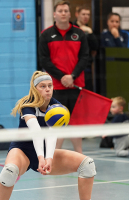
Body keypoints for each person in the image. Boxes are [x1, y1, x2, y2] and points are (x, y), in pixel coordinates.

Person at [0, 71, 106, 200]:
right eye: (42, 86)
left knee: (87, 164)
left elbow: (51, 135)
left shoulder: (56, 107)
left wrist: (48, 159)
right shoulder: (27, 104)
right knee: (9, 171)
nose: (47, 89)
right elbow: (36, 132)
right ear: (35, 88)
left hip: (45, 152)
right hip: (23, 150)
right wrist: (40, 157)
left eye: (50, 86)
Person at [38, 0, 89, 153]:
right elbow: (44, 60)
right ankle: (53, 156)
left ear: (70, 14)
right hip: (55, 86)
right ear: (54, 14)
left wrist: (72, 76)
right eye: (60, 11)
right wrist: (62, 77)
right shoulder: (46, 35)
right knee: (56, 120)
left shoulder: (79, 33)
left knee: (76, 121)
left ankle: (79, 154)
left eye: (66, 11)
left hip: (75, 84)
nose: (63, 13)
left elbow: (85, 57)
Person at [73, 5, 99, 91]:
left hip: (87, 67)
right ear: (77, 14)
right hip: (74, 66)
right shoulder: (72, 28)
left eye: (88, 14)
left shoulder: (89, 29)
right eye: (83, 14)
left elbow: (95, 47)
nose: (86, 16)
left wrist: (90, 32)